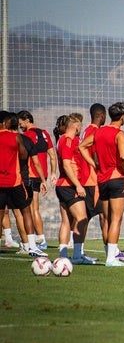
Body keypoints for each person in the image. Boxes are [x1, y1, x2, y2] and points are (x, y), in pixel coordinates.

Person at [79, 102, 124, 267]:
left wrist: (94, 164)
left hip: (102, 180)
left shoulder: (99, 132)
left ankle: (110, 254)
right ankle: (111, 259)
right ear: (122, 117)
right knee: (116, 219)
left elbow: (82, 146)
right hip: (117, 178)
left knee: (107, 219)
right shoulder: (119, 134)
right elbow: (123, 157)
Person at [0, 110, 46, 257]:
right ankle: (32, 246)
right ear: (5, 122)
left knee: (0, 214)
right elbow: (23, 155)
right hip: (15, 182)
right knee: (26, 211)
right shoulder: (17, 137)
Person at [53, 113, 93, 264]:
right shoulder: (67, 140)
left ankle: (63, 257)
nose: (80, 128)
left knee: (66, 222)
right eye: (80, 126)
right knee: (82, 218)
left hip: (63, 185)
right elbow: (66, 164)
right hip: (69, 186)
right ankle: (77, 256)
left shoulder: (62, 139)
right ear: (76, 125)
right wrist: (78, 184)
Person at [17, 110, 58, 249]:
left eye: (20, 122)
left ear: (27, 120)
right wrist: (52, 173)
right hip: (42, 175)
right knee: (35, 209)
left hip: (30, 175)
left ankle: (39, 240)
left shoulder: (25, 136)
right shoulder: (45, 133)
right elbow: (52, 155)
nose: (19, 125)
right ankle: (39, 239)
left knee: (30, 209)